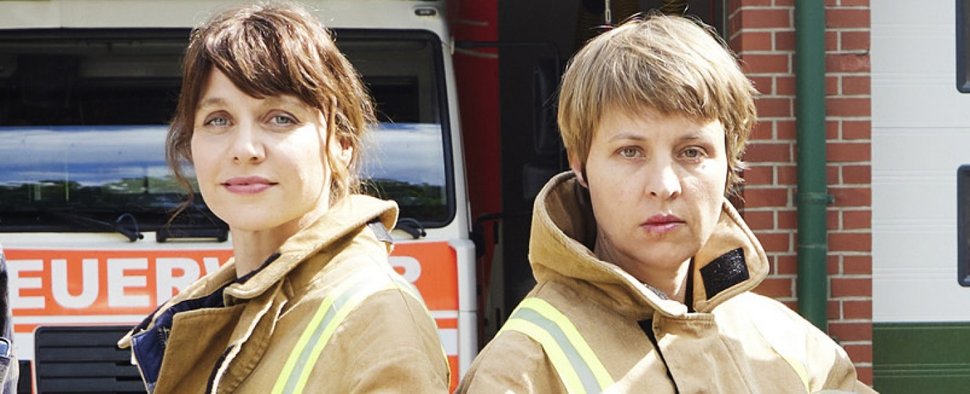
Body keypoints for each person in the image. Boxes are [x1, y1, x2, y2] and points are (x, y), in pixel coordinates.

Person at [459, 14, 875, 393]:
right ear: (580, 165)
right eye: (630, 152)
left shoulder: (794, 348)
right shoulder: (521, 369)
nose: (664, 185)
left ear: (730, 162)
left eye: (691, 151)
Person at [117, 3, 450, 393]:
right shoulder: (227, 303)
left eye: (280, 118)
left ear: (341, 144)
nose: (244, 149)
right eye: (218, 120)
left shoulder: (378, 315)